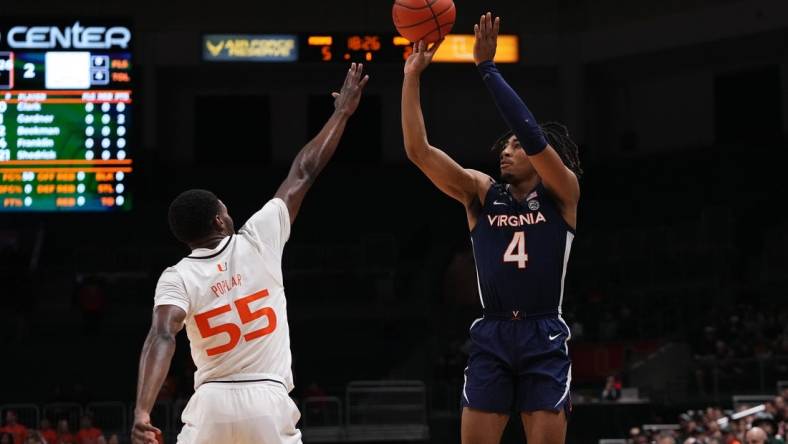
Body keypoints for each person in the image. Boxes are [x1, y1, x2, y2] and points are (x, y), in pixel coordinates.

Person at [132, 63, 369, 444]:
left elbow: (162, 335)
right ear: (221, 222)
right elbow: (304, 171)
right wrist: (342, 113)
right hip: (267, 400)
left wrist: (143, 411)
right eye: (227, 210)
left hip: (211, 403)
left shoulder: (177, 276)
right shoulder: (258, 238)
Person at [401, 11, 581, 444]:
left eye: (516, 147)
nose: (506, 150)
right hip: (493, 331)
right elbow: (418, 152)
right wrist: (411, 79)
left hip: (543, 331)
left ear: (541, 160)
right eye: (505, 145)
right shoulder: (482, 192)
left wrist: (487, 69)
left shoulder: (563, 193)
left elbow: (532, 133)